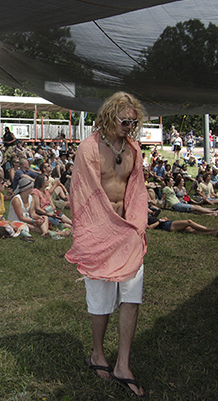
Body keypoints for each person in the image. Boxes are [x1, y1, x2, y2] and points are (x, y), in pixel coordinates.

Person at [65, 92, 148, 397]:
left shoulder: (133, 149)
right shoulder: (89, 148)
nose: (130, 126)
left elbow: (137, 190)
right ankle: (98, 354)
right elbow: (83, 194)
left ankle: (123, 364)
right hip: (98, 233)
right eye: (125, 121)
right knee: (100, 300)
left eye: (133, 122)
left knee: (131, 296)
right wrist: (98, 229)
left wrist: (136, 223)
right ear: (110, 117)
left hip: (127, 232)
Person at [147, 215, 218, 237]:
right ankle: (211, 229)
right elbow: (149, 227)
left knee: (191, 230)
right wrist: (160, 221)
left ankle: (213, 233)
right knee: (189, 222)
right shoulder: (141, 220)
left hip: (166, 223)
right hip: (166, 226)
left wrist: (163, 218)